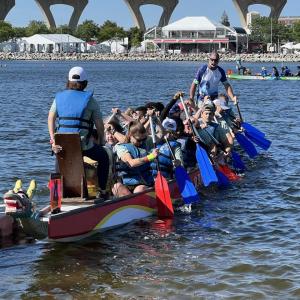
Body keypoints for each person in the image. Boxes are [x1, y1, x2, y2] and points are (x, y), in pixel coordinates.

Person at [48, 66, 110, 199]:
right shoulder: (90, 100)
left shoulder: (58, 98)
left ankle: (55, 197)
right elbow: (99, 125)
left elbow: (50, 118)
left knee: (59, 165)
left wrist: (53, 139)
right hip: (83, 145)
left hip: (61, 145)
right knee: (104, 157)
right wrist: (102, 140)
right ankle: (102, 191)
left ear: (68, 81)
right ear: (85, 83)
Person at [112, 121, 159, 197]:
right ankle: (131, 206)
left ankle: (135, 205)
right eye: (139, 140)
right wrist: (150, 156)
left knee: (139, 189)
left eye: (144, 139)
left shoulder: (146, 142)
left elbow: (161, 133)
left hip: (145, 183)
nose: (141, 142)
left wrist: (156, 119)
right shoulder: (121, 147)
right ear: (130, 135)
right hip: (128, 183)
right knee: (116, 187)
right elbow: (131, 163)